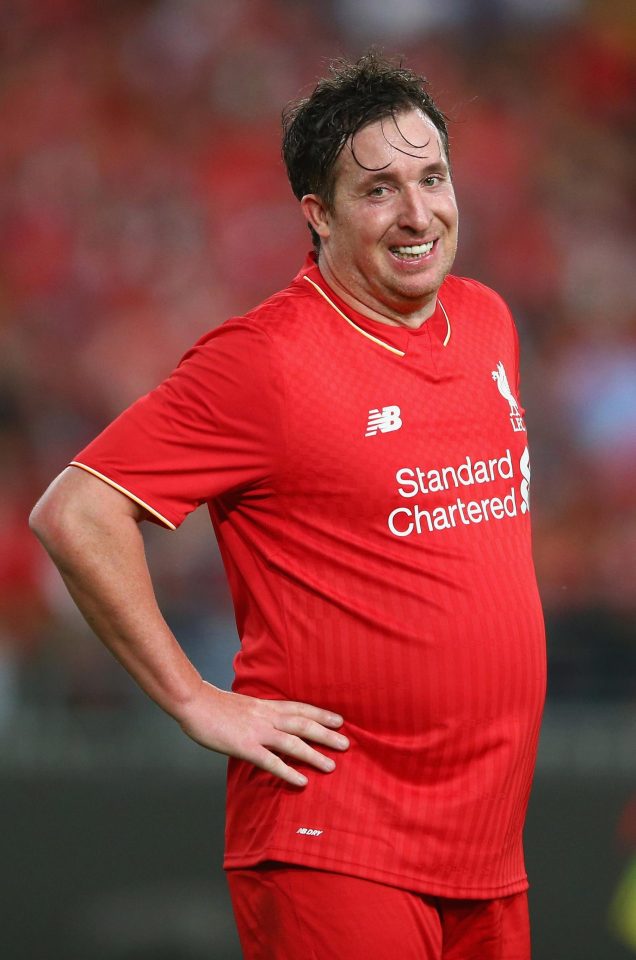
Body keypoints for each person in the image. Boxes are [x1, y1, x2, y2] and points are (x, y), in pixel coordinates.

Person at [30, 52, 546, 960]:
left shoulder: (489, 321)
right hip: (337, 842)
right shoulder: (263, 361)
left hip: (488, 852)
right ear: (319, 214)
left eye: (432, 178)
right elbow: (77, 511)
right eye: (380, 190)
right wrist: (195, 699)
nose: (419, 214)